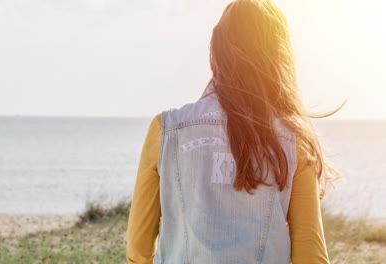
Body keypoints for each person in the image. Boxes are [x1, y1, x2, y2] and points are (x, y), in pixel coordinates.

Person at [126, 0, 342, 263]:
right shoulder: (294, 141)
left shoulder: (167, 129)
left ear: (217, 51)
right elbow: (311, 254)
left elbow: (138, 250)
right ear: (278, 57)